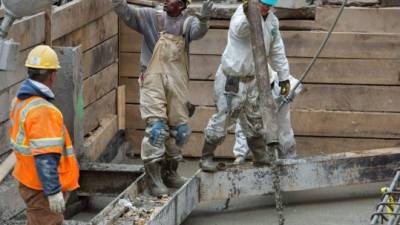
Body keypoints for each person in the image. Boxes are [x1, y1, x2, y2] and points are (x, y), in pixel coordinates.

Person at [112, 0, 213, 195]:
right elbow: (124, 11)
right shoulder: (151, 17)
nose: (166, 1)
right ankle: (154, 179)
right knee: (157, 130)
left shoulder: (187, 23)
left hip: (176, 82)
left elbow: (198, 31)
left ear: (182, 5)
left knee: (180, 131)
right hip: (152, 80)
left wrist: (204, 19)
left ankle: (169, 172)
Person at [199, 0, 292, 172]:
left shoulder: (272, 21)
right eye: (262, 3)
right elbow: (240, 30)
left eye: (268, 5)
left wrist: (284, 77)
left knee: (254, 120)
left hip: (253, 80)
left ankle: (260, 157)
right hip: (232, 79)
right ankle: (206, 157)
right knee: (223, 118)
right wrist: (248, 11)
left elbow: (277, 50)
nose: (265, 7)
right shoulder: (241, 15)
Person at [9, 45, 80, 225]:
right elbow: (45, 156)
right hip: (40, 187)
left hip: (30, 180)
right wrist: (53, 191)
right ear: (52, 75)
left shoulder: (20, 101)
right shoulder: (43, 110)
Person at [233, 68, 302, 165]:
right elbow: (242, 126)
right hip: (263, 146)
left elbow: (296, 84)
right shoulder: (248, 94)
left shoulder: (279, 79)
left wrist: (290, 92)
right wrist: (240, 154)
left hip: (284, 140)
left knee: (290, 170)